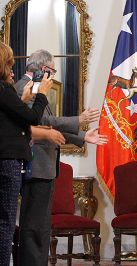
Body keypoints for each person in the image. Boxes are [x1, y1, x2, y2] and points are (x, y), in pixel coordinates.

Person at [15, 49, 108, 266]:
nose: (53, 75)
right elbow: (45, 122)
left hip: (42, 166)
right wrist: (79, 119)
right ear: (44, 69)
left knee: (40, 225)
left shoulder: (34, 86)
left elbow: (47, 125)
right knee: (35, 226)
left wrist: (83, 136)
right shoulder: (26, 87)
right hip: (35, 164)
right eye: (53, 71)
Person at [0, 41, 52, 266]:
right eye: (9, 63)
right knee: (6, 223)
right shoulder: (3, 88)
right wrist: (41, 95)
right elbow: (31, 118)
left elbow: (10, 117)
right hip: (7, 161)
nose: (12, 69)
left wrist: (23, 101)